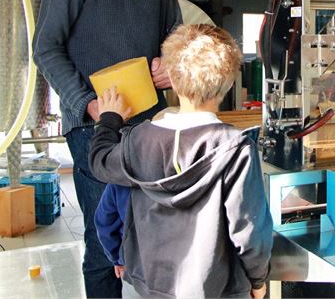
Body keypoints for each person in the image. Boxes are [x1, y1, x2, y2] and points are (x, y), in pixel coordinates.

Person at [32, 0, 182, 297]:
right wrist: (88, 105)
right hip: (96, 129)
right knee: (104, 244)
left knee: (158, 235)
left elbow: (175, 34)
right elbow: (45, 47)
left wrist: (171, 62)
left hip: (150, 127)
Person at [88, 24, 273, 298]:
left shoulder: (138, 140)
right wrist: (258, 280)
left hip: (153, 284)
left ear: (171, 78)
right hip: (217, 289)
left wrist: (110, 119)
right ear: (230, 81)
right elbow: (248, 228)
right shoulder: (236, 148)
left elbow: (99, 162)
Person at [94, 184, 133, 295]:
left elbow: (104, 225)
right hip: (180, 259)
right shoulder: (183, 175)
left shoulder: (119, 180)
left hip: (137, 260)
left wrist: (117, 258)